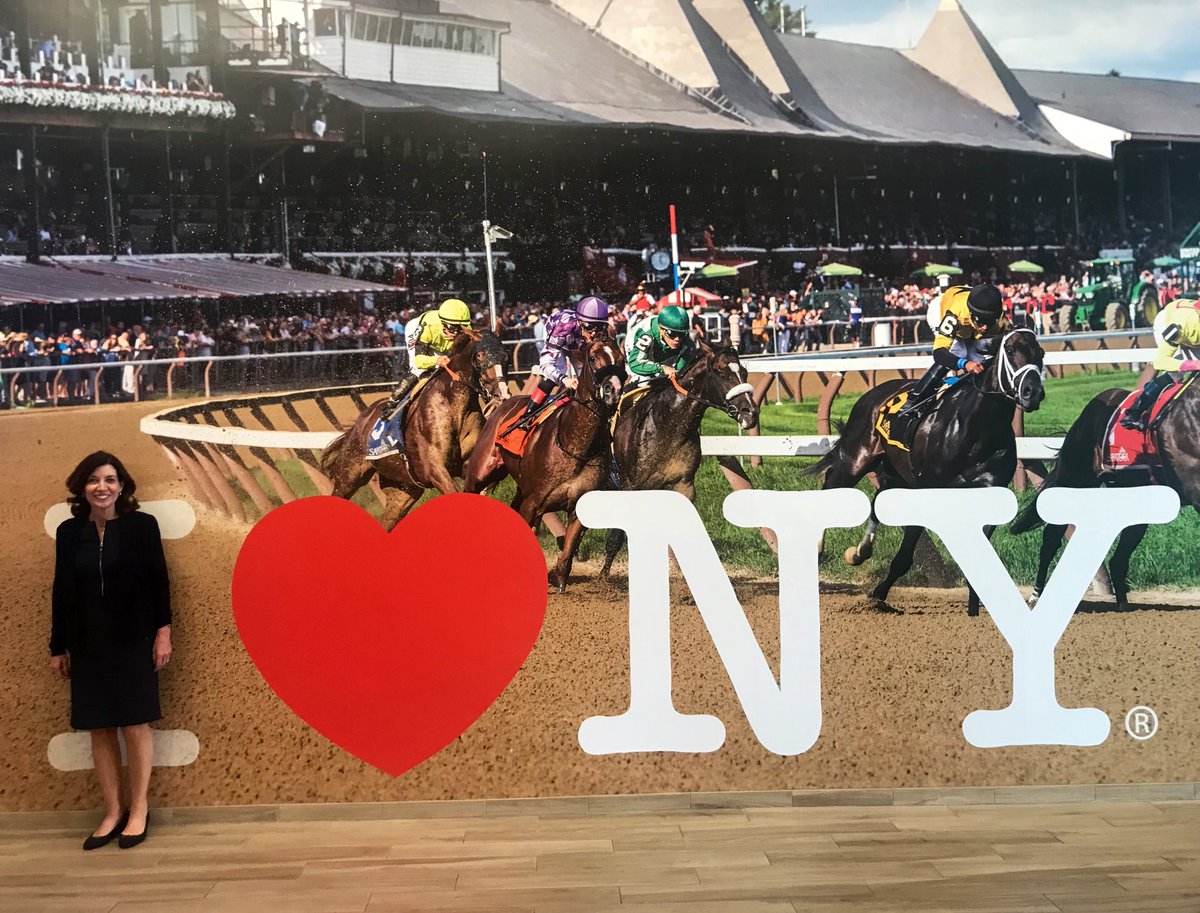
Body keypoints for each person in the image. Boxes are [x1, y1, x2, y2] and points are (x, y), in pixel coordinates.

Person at [51, 452, 171, 851]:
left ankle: (139, 809)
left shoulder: (142, 526)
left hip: (134, 640)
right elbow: (61, 591)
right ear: (82, 487)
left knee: (136, 725)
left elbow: (159, 582)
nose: (101, 487)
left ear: (121, 487)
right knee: (100, 727)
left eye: (109, 479)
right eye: (93, 480)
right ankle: (113, 811)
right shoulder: (69, 532)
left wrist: (163, 633)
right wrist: (57, 646)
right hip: (87, 643)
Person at [897, 283, 1007, 418]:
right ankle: (915, 399)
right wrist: (964, 364)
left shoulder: (1000, 318)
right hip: (940, 310)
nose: (984, 328)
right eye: (981, 322)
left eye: (989, 322)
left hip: (968, 318)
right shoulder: (955, 314)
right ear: (971, 313)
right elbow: (939, 353)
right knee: (960, 351)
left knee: (979, 356)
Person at [509, 296, 610, 430]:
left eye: (600, 327)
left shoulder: (602, 332)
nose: (594, 333)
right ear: (580, 322)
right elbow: (545, 364)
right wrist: (564, 379)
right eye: (590, 327)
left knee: (587, 375)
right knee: (558, 370)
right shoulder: (562, 328)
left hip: (577, 342)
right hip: (557, 331)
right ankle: (527, 415)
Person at [381, 298, 472, 418]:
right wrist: (436, 360)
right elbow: (418, 361)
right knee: (419, 370)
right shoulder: (428, 328)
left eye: (460, 329)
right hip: (417, 330)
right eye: (452, 328)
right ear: (443, 323)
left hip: (439, 340)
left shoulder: (466, 330)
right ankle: (391, 404)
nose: (456, 334)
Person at [1121, 298, 1200, 431]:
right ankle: (1134, 412)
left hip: (1192, 333)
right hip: (1166, 323)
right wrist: (1193, 364)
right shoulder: (1181, 326)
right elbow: (1160, 361)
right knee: (1176, 375)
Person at [627, 304, 697, 384]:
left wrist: (678, 373)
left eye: (681, 334)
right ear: (661, 329)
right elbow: (635, 364)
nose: (677, 339)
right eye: (672, 334)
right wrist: (662, 368)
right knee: (644, 380)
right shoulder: (647, 335)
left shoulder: (685, 337)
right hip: (636, 351)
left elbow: (684, 363)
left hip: (660, 350)